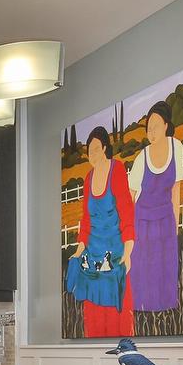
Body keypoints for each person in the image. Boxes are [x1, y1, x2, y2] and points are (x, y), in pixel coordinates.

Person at [68, 127, 135, 337]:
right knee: (94, 316)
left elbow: (126, 210)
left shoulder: (116, 170)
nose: (93, 155)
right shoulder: (88, 178)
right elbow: (86, 220)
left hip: (114, 253)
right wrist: (78, 251)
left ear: (105, 148)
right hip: (92, 255)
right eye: (90, 151)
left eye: (96, 149)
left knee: (117, 314)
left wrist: (128, 249)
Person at [127, 101, 183, 313]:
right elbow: (131, 197)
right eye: (148, 128)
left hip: (165, 217)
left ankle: (166, 310)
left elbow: (177, 190)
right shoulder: (142, 157)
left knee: (166, 265)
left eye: (155, 126)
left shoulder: (176, 147)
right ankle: (142, 310)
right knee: (143, 267)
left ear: (166, 125)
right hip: (142, 219)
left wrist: (175, 225)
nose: (151, 132)